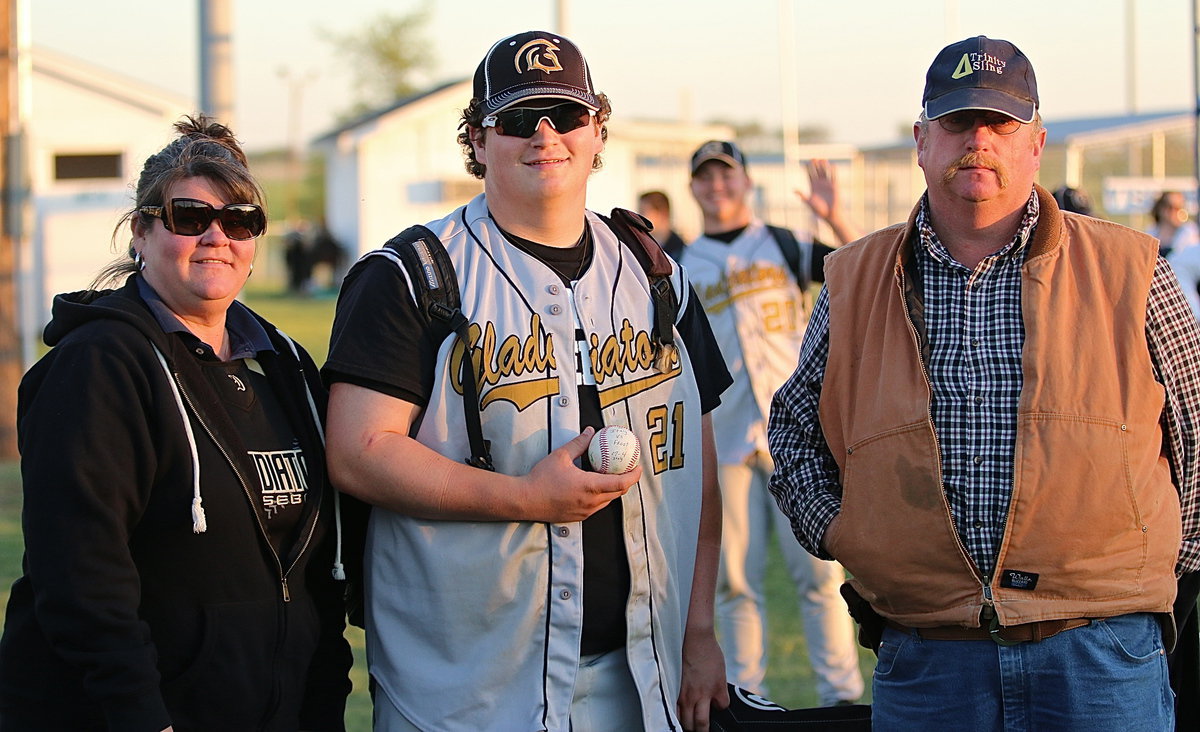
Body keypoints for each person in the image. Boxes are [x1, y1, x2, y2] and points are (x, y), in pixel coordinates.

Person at [768, 35, 1200, 730]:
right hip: (929, 656)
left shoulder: (1132, 269)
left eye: (1001, 123)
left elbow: (1195, 425)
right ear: (921, 141)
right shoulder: (854, 279)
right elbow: (793, 430)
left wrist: (1165, 572)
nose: (980, 140)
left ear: (1037, 143)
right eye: (958, 121)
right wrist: (848, 532)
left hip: (1101, 652)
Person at [323, 31, 732, 731]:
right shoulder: (409, 275)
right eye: (515, 119)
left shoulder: (653, 274)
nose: (544, 134)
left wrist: (698, 633)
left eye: (565, 115)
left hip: (637, 679)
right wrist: (524, 498)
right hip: (464, 691)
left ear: (597, 130)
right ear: (478, 142)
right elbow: (357, 450)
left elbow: (697, 469)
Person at [0, 116, 352, 730]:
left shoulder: (287, 368)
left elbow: (313, 572)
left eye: (240, 221)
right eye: (190, 217)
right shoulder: (97, 366)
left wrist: (320, 700)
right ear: (140, 230)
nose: (217, 236)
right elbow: (81, 577)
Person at [681, 140, 864, 705]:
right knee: (735, 583)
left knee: (819, 575)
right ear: (693, 188)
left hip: (798, 437)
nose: (717, 187)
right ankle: (748, 698)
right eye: (706, 178)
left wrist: (833, 215)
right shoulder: (681, 265)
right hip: (728, 438)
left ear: (747, 182)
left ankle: (840, 695)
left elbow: (864, 272)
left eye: (727, 175)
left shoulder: (781, 243)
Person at [638, 189, 688, 259]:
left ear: (662, 213)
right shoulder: (641, 249)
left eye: (643, 211)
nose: (638, 217)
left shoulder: (682, 254)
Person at [1151, 190, 1200, 258]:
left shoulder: (1189, 232)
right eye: (1170, 207)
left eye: (1180, 207)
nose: (1175, 212)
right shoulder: (1151, 232)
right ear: (1160, 208)